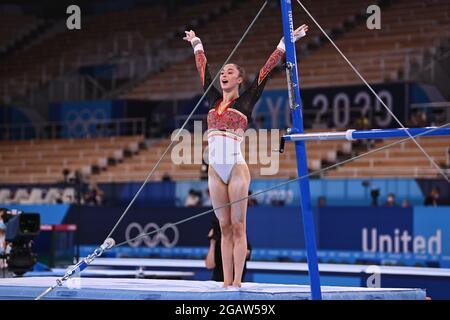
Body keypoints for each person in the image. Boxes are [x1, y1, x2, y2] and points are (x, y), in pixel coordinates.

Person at [184, 24, 308, 287]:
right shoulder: (213, 100)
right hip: (215, 172)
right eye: (223, 72)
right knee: (224, 229)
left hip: (237, 169)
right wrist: (197, 43)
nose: (224, 74)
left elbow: (266, 71)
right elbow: (203, 70)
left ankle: (238, 282)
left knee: (239, 228)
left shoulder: (247, 101)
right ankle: (226, 283)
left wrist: (285, 42)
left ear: (239, 79)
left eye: (230, 72)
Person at [205, 216, 251, 282]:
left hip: (236, 281)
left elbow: (245, 254)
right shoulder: (217, 241)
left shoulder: (240, 238)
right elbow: (209, 265)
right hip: (218, 282)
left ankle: (234, 281)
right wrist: (212, 242)